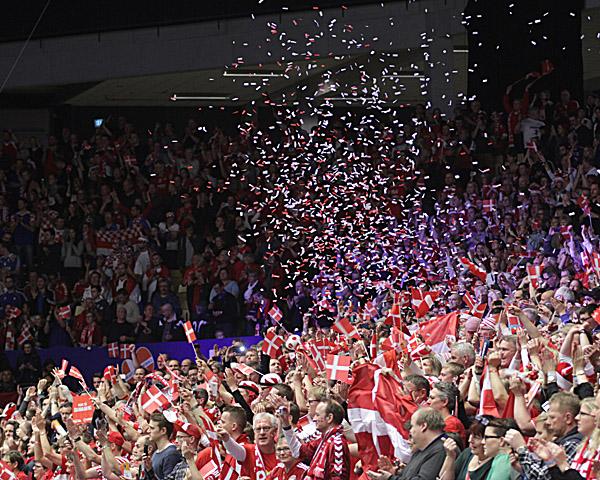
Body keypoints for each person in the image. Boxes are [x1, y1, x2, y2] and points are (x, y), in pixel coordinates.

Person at [367, 408, 447, 480]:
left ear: (423, 426)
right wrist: (394, 473)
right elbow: (410, 476)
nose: (410, 431)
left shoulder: (440, 450)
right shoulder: (421, 449)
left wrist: (390, 478)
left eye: (412, 426)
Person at [280, 399, 350, 480]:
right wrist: (286, 423)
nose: (314, 419)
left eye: (317, 415)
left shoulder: (337, 443)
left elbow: (338, 477)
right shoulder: (322, 440)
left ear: (329, 418)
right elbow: (298, 451)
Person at [219, 412, 279, 480]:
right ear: (254, 433)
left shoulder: (284, 453)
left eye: (266, 428)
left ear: (274, 431)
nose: (262, 433)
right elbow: (234, 449)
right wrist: (226, 439)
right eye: (258, 429)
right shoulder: (248, 451)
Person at [145, 412, 184, 480]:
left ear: (163, 430)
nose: (148, 431)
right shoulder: (155, 453)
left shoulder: (171, 453)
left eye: (152, 428)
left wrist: (150, 471)